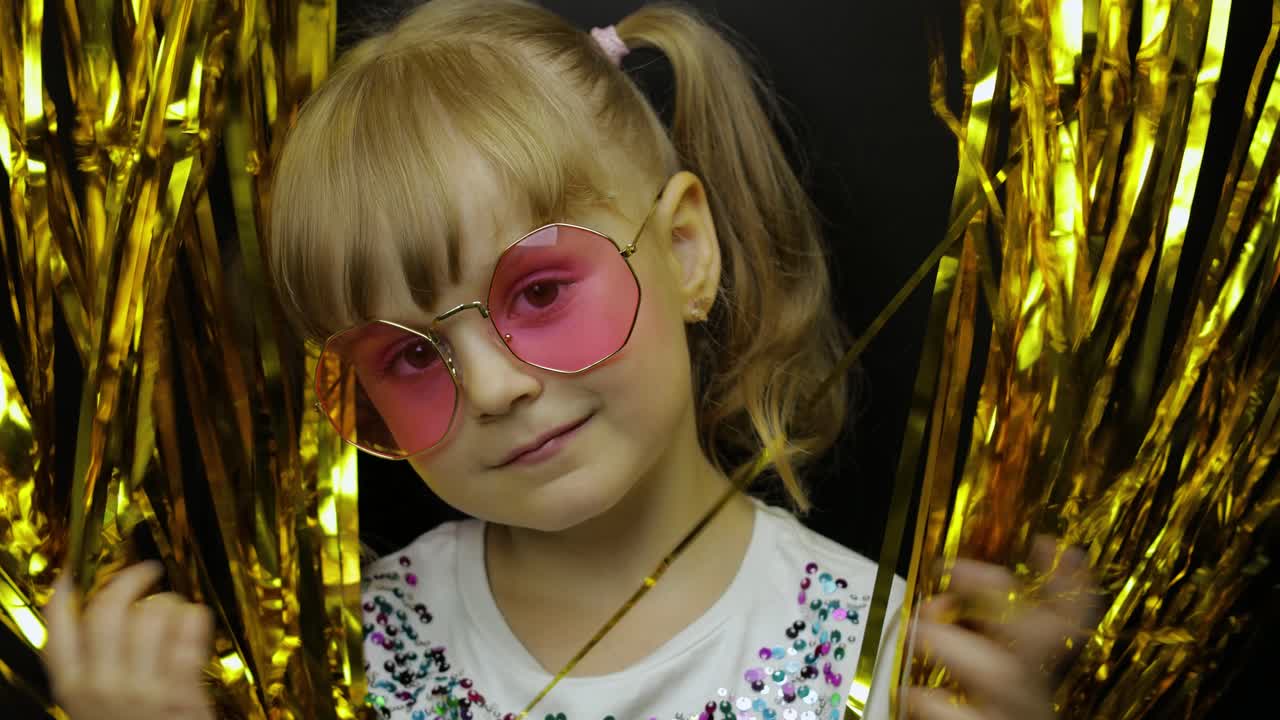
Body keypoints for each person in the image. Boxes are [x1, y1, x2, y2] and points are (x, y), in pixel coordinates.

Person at [41, 1, 1095, 719]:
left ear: (684, 251)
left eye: (538, 293)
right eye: (409, 359)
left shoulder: (883, 657)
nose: (494, 387)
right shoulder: (334, 668)